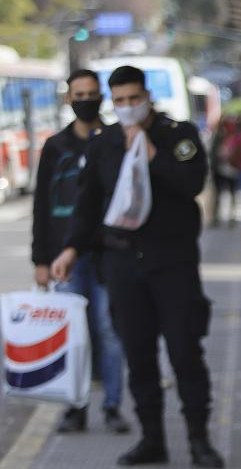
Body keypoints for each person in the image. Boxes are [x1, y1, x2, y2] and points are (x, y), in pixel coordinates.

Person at [50, 65, 222, 469]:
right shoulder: (104, 143)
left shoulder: (177, 134)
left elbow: (192, 184)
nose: (127, 107)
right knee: (138, 354)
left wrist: (153, 157)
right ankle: (152, 439)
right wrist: (71, 248)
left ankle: (198, 438)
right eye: (120, 101)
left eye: (134, 99)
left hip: (172, 263)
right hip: (123, 263)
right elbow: (89, 204)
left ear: (147, 97)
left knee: (184, 351)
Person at [30, 68, 130, 435]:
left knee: (109, 331)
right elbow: (42, 206)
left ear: (101, 97)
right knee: (73, 336)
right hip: (64, 259)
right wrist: (40, 260)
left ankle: (112, 406)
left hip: (107, 255)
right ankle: (76, 407)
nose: (85, 101)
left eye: (92, 94)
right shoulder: (55, 147)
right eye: (79, 95)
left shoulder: (116, 140)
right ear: (68, 99)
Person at [209, 115, 239, 227]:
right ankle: (216, 217)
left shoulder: (234, 137)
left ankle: (230, 217)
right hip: (220, 170)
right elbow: (213, 153)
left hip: (231, 170)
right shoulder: (219, 137)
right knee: (219, 194)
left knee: (229, 194)